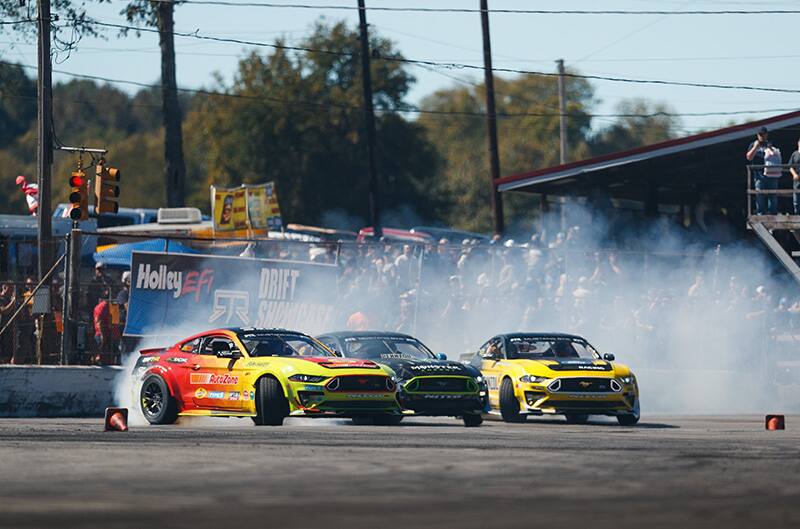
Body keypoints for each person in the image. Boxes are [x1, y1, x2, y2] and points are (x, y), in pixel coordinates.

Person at [746, 127, 778, 215]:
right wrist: (755, 147)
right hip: (759, 175)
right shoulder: (753, 144)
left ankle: (773, 214)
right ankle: (760, 214)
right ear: (757, 135)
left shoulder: (771, 144)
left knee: (773, 195)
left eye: (763, 134)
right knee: (759, 195)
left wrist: (771, 149)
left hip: (771, 174)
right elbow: (749, 157)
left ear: (766, 134)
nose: (762, 137)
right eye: (760, 135)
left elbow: (777, 156)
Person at [788, 138, 800, 215]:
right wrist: (794, 174)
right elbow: (790, 166)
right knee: (796, 201)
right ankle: (797, 216)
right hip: (797, 181)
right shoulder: (795, 154)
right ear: (798, 143)